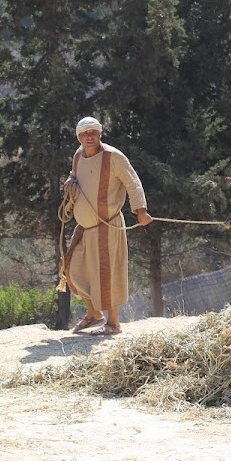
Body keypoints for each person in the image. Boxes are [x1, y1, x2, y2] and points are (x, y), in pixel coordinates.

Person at [62, 116, 153, 335]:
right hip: (84, 227)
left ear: (100, 134)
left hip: (108, 226)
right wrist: (69, 184)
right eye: (85, 133)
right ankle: (94, 313)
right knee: (72, 268)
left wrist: (140, 211)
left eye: (93, 132)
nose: (90, 136)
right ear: (79, 137)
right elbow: (76, 178)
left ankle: (113, 323)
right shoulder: (77, 156)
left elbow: (133, 181)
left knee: (107, 272)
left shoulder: (113, 157)